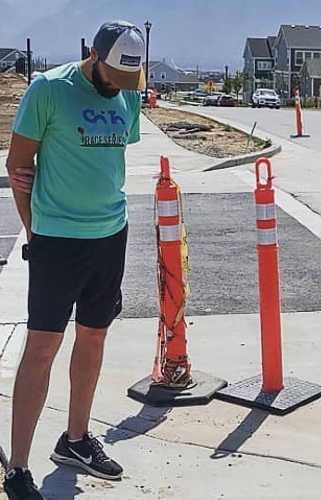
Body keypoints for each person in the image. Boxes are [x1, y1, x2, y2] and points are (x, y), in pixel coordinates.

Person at [2, 21, 145, 500]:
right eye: (113, 74)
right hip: (57, 241)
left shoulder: (129, 88)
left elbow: (115, 158)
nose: (121, 87)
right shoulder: (49, 90)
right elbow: (18, 165)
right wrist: (36, 229)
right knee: (42, 347)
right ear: (92, 54)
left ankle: (76, 439)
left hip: (110, 235)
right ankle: (18, 468)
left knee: (94, 336)